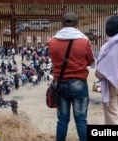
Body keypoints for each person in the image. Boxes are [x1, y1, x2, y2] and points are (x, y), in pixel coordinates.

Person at [48, 12, 94, 141]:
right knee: (81, 120)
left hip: (60, 83)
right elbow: (90, 61)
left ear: (62, 24)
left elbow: (53, 59)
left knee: (62, 120)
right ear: (77, 25)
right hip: (78, 83)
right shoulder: (84, 41)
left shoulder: (52, 41)